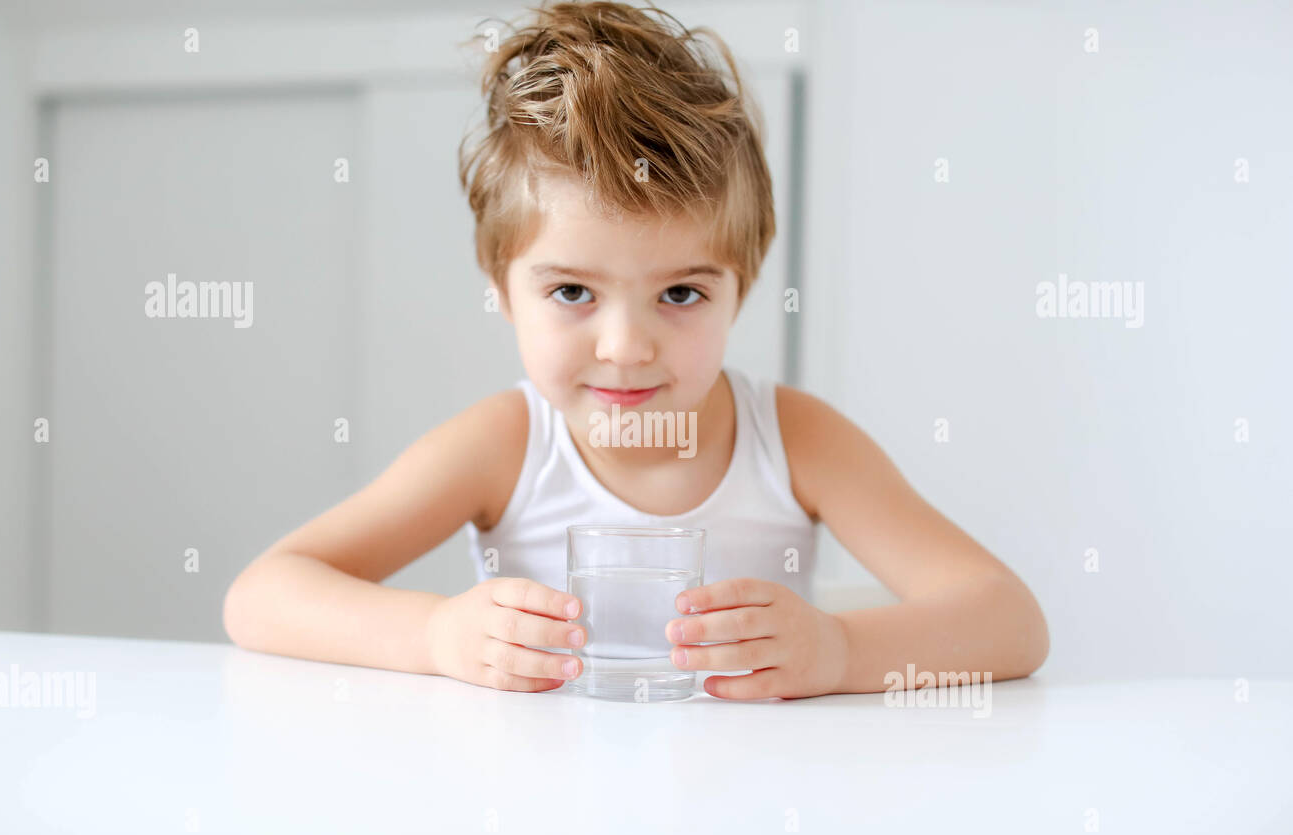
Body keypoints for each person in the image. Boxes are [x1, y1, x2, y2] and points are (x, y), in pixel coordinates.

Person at [223, 1, 1048, 700]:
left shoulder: (794, 440)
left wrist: (838, 651)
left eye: (681, 294)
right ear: (503, 286)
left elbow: (1008, 619)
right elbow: (263, 596)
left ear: (742, 285)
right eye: (572, 293)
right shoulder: (506, 446)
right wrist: (436, 633)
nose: (624, 348)